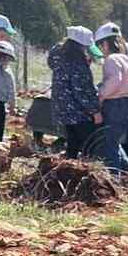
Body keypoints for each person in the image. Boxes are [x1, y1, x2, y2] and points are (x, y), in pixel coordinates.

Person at [94, 22, 128, 176]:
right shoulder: (127, 59)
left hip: (114, 105)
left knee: (109, 145)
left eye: (100, 46)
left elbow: (115, 80)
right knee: (113, 141)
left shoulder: (111, 60)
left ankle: (115, 178)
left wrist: (101, 94)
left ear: (105, 44)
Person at [49, 25, 101, 157]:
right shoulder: (78, 64)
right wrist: (95, 111)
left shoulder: (58, 56)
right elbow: (81, 92)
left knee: (72, 141)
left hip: (61, 108)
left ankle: (69, 163)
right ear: (81, 46)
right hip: (78, 112)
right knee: (91, 144)